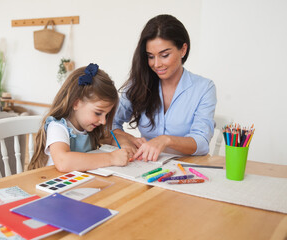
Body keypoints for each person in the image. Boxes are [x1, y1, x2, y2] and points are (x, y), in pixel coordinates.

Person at [112, 14, 217, 162]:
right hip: (144, 165)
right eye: (150, 56)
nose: (156, 64)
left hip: (185, 167)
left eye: (164, 55)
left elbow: (201, 142)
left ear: (183, 49)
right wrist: (127, 139)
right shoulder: (139, 83)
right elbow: (109, 123)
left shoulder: (204, 88)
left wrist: (166, 140)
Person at [28, 63, 129, 172]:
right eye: (98, 113)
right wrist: (111, 158)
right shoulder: (58, 127)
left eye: (107, 115)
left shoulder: (88, 127)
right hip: (55, 184)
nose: (103, 121)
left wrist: (124, 142)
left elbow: (109, 138)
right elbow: (64, 162)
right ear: (76, 103)